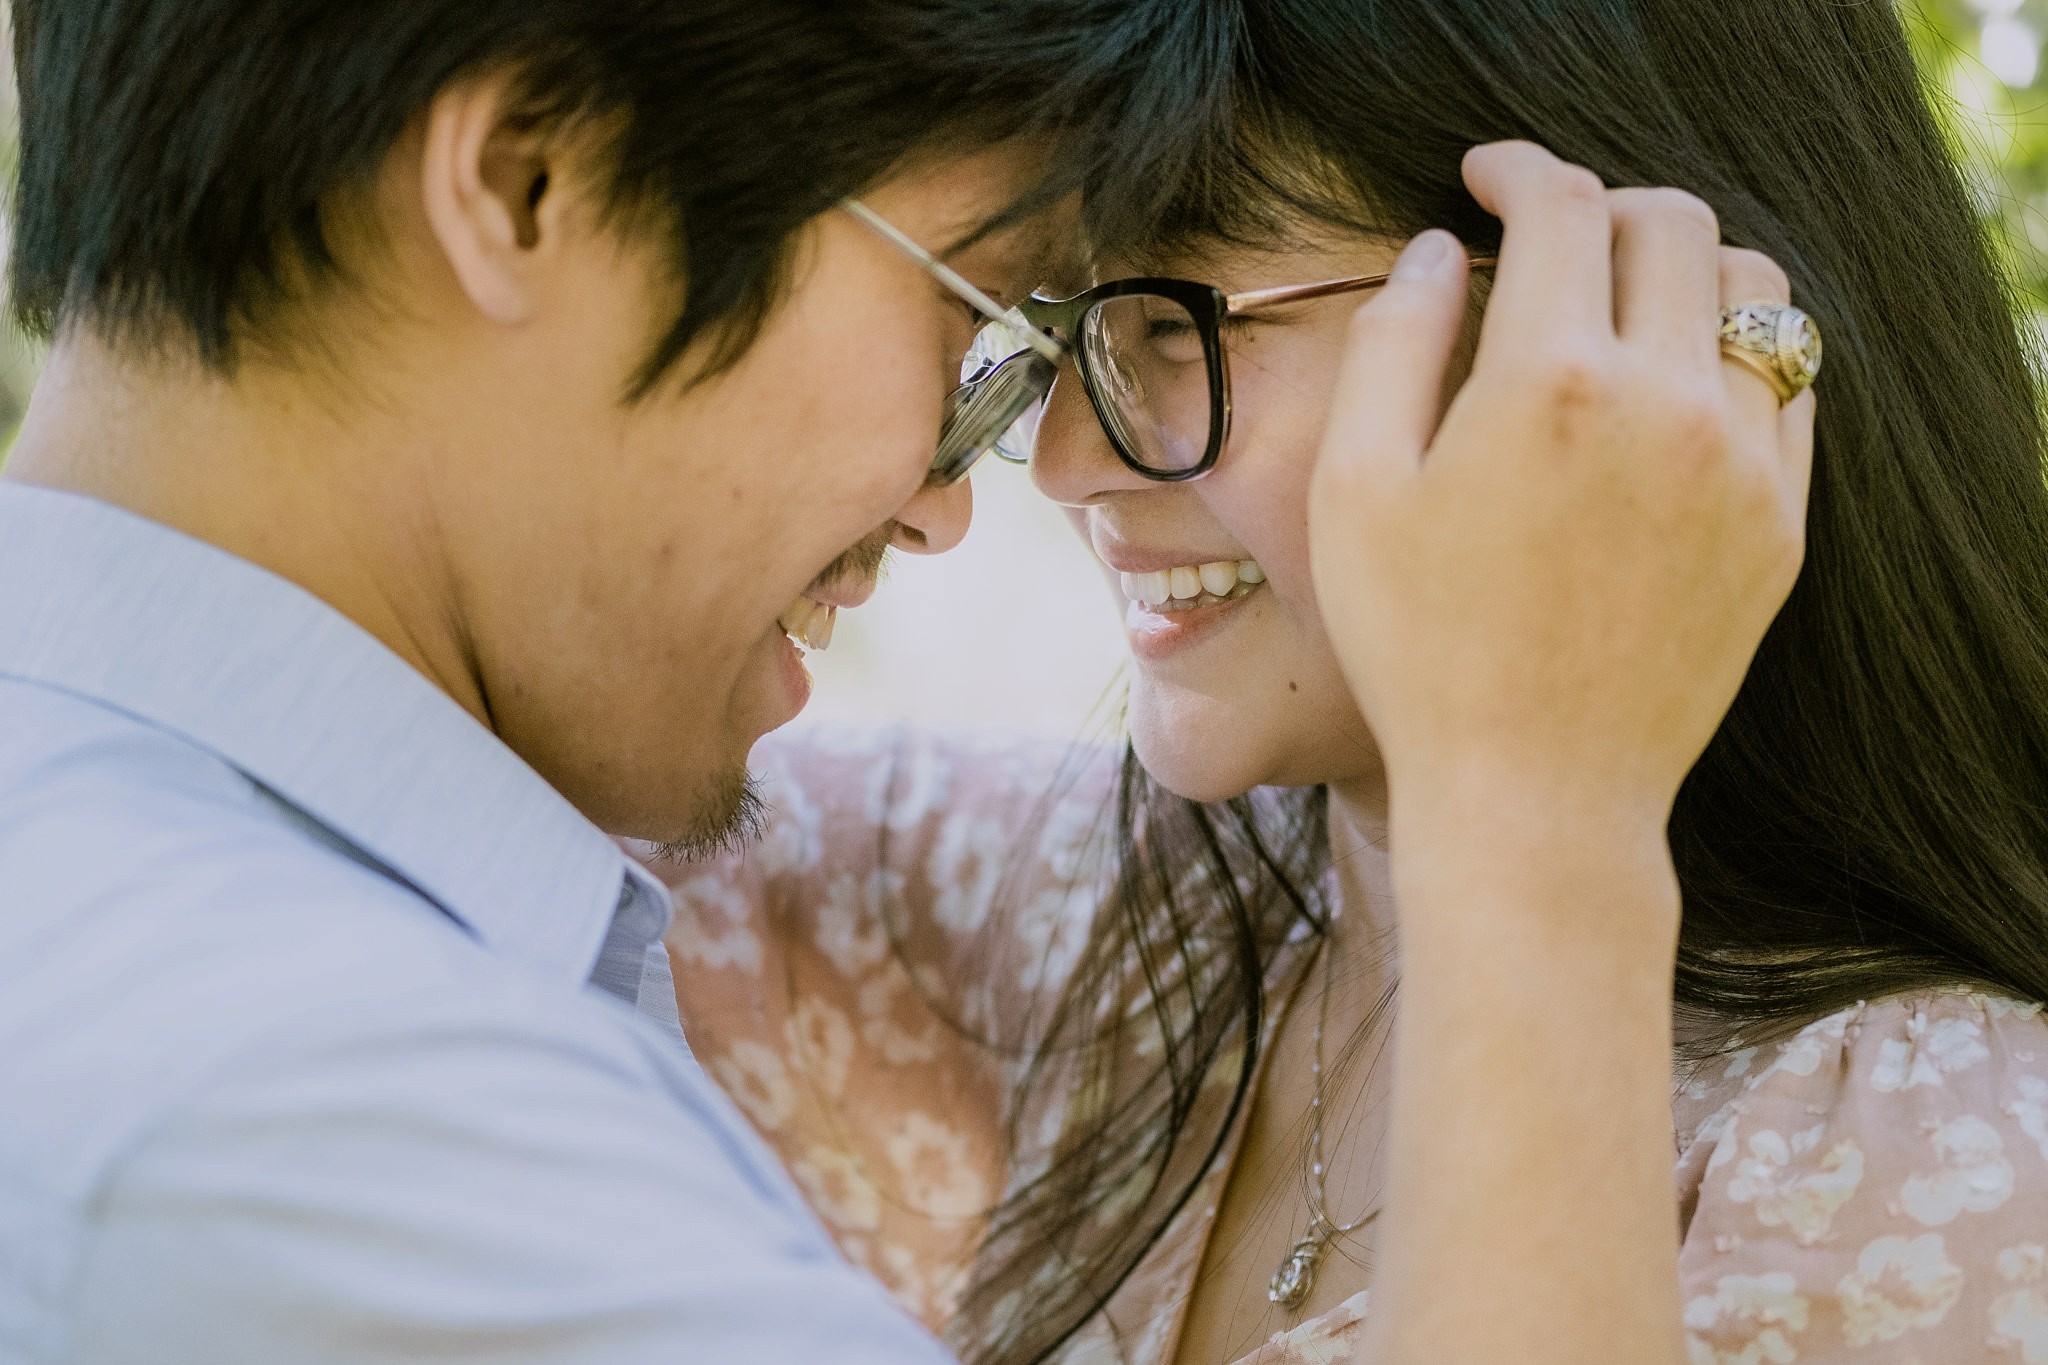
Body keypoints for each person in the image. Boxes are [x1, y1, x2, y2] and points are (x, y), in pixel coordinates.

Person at [654, 1, 2048, 1362]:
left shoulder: (1945, 1161)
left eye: (1175, 321)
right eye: (1064, 326)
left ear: (1616, 336)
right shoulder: (1107, 914)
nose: (1072, 459)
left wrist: (1536, 812)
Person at [0, 2, 1246, 1360]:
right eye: (967, 310)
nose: (943, 508)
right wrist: (1497, 792)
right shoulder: (323, 1104)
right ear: (527, 182)